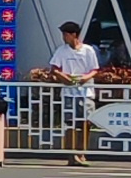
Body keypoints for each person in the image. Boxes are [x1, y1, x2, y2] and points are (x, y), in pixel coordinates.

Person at [43, 20, 101, 165]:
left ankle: (82, 152)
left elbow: (94, 69)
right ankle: (71, 153)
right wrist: (64, 78)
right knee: (70, 124)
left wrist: (84, 78)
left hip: (85, 92)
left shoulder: (88, 50)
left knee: (86, 123)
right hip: (69, 92)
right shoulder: (61, 50)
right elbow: (54, 68)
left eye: (66, 34)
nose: (64, 37)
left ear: (73, 34)